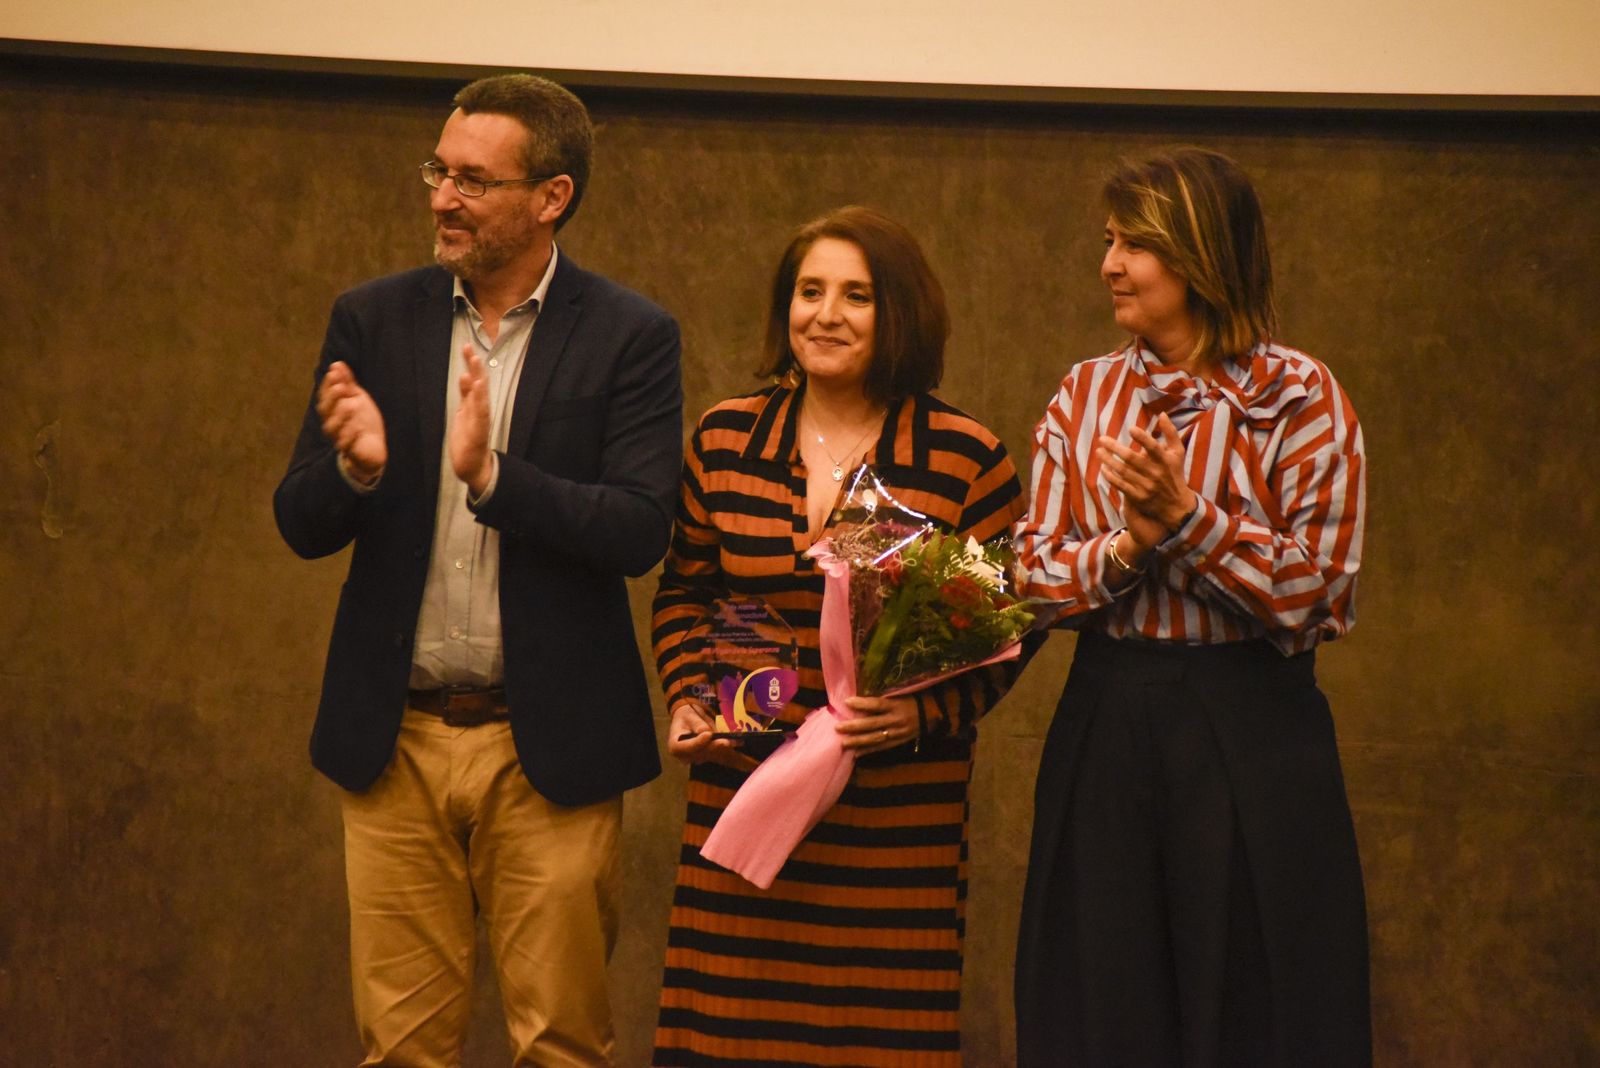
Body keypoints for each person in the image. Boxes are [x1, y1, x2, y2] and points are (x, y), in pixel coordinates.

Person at [272, 74, 682, 1067]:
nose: (440, 198)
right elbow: (298, 518)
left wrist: (496, 477)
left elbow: (636, 529)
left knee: (560, 1044)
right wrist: (357, 472)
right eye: (438, 171)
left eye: (471, 180)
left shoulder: (630, 335)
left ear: (552, 197)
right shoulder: (374, 320)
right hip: (396, 743)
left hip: (546, 750)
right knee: (401, 1048)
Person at [1012, 146, 1370, 1065]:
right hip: (1110, 718)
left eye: (1136, 244)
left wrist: (1187, 520)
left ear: (1202, 255)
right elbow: (1036, 582)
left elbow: (1317, 595)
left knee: (1259, 995)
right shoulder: (1083, 396)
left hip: (1255, 727)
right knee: (1100, 991)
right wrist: (1132, 544)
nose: (1110, 265)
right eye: (1108, 240)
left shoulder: (1302, 397)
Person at [650, 206, 1027, 1065]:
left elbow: (1009, 634)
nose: (826, 314)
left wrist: (922, 719)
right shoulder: (728, 437)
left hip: (895, 820)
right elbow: (685, 591)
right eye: (809, 291)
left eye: (856, 296)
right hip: (744, 795)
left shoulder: (964, 458)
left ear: (900, 313)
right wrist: (687, 697)